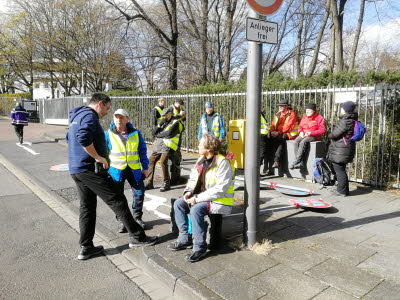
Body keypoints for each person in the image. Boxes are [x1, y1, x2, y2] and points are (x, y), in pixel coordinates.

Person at [66, 93, 157, 261]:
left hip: (76, 169)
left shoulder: (76, 116)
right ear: (100, 103)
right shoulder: (89, 116)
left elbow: (69, 138)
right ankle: (137, 237)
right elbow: (83, 137)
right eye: (107, 108)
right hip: (90, 170)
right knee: (117, 199)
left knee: (87, 206)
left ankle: (86, 247)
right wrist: (98, 157)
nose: (107, 112)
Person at [167, 134, 235, 263]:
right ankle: (184, 239)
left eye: (200, 144)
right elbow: (193, 179)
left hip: (219, 201)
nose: (198, 146)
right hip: (204, 197)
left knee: (196, 209)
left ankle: (199, 248)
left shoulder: (222, 163)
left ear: (209, 147)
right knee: (178, 204)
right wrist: (189, 191)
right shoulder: (201, 160)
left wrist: (196, 198)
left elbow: (220, 190)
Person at [104, 108, 149, 232]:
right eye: (116, 117)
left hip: (134, 170)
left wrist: (145, 168)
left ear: (127, 119)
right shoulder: (108, 134)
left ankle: (137, 217)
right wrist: (105, 169)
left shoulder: (136, 133)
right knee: (118, 197)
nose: (119, 120)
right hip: (116, 171)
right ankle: (122, 221)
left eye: (122, 117)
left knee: (139, 194)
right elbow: (104, 153)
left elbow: (142, 152)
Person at [145, 108, 181, 192]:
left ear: (170, 114)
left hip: (168, 145)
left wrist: (158, 135)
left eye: (165, 115)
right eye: (163, 116)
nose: (164, 117)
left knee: (163, 162)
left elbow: (168, 134)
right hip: (159, 145)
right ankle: (149, 183)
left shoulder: (176, 122)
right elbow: (153, 133)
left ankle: (166, 183)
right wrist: (159, 125)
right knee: (151, 161)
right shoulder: (163, 122)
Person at [327, 101, 358, 197]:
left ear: (345, 110)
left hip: (341, 149)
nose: (341, 109)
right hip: (345, 148)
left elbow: (335, 134)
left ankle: (341, 191)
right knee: (341, 169)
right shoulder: (352, 119)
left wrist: (330, 135)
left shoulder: (345, 121)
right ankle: (344, 190)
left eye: (342, 108)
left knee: (339, 170)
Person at [290, 103, 326, 169]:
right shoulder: (304, 118)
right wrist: (300, 132)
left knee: (303, 142)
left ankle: (297, 160)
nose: (307, 112)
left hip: (313, 136)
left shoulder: (319, 118)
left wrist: (311, 133)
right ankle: (300, 162)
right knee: (296, 142)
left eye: (309, 110)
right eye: (306, 110)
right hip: (303, 134)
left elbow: (322, 130)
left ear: (314, 111)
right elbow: (300, 126)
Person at [267, 99, 299, 168]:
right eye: (279, 106)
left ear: (286, 106)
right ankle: (267, 163)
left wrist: (278, 133)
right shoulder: (278, 113)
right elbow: (273, 124)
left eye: (282, 106)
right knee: (267, 138)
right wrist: (272, 131)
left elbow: (288, 127)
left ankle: (276, 161)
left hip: (289, 134)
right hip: (278, 132)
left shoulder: (292, 114)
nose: (280, 107)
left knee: (279, 140)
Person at [169, 99, 186, 184]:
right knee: (173, 154)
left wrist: (183, 116)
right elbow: (169, 119)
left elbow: (183, 120)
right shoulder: (171, 109)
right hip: (172, 134)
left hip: (179, 133)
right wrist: (179, 115)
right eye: (180, 104)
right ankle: (173, 177)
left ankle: (177, 175)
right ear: (176, 103)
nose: (180, 106)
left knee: (177, 154)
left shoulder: (181, 110)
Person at [260, 105, 270, 176]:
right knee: (261, 154)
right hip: (260, 136)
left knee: (261, 154)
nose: (263, 108)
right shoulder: (257, 115)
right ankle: (256, 171)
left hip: (263, 136)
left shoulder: (261, 114)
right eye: (261, 106)